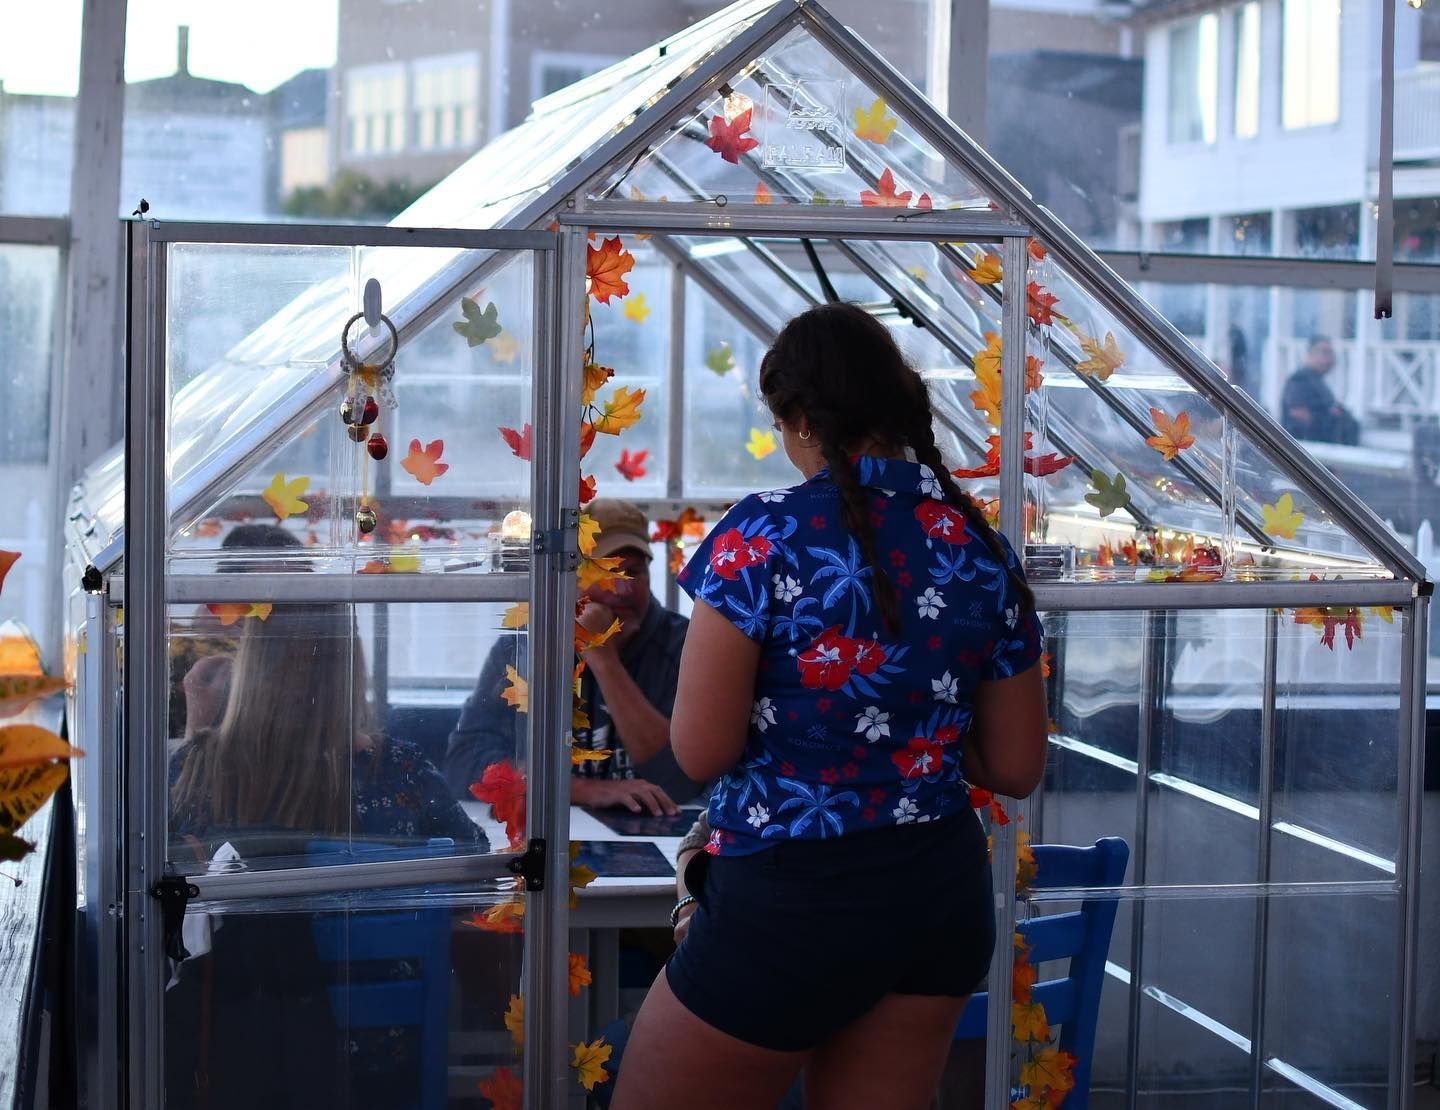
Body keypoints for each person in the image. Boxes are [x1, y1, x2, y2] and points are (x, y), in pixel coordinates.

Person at [611, 304, 1049, 1110]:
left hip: (793, 902)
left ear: (802, 419)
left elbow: (698, 752)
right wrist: (918, 741)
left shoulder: (764, 536)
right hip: (934, 897)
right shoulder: (975, 545)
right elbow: (1017, 766)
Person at [166, 602, 485, 1110]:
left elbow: (170, 885)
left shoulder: (195, 772)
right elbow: (474, 867)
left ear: (248, 665)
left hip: (246, 1042)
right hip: (385, 1047)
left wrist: (199, 732)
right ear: (350, 664)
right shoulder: (401, 772)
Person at [445, 498, 699, 812]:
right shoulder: (523, 646)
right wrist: (581, 790)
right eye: (604, 573)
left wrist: (603, 658)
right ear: (571, 580)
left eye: (633, 572)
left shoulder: (686, 646)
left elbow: (682, 780)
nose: (621, 590)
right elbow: (464, 766)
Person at [1281, 336, 1359, 445]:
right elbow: (1297, 413)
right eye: (1325, 352)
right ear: (1310, 354)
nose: (1330, 359)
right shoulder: (1299, 380)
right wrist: (1329, 420)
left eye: (1331, 353)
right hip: (1304, 449)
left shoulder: (1316, 380)